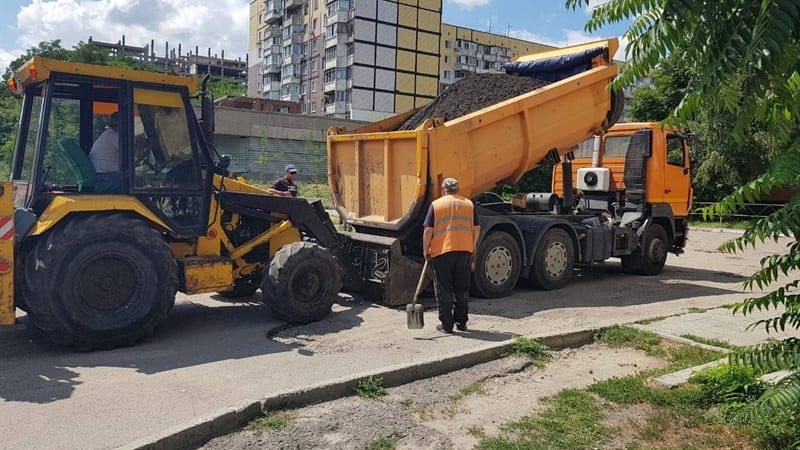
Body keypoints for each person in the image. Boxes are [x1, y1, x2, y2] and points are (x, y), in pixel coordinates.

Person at [422, 177, 481, 334]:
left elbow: (428, 230)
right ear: (458, 189)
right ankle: (461, 323)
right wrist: (472, 246)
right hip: (464, 251)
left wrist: (426, 249)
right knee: (462, 288)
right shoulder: (469, 204)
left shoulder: (436, 205)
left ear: (443, 190)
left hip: (442, 252)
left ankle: (447, 325)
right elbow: (476, 228)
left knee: (444, 288)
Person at [89, 112, 121, 189]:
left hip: (102, 174)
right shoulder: (114, 136)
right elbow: (133, 154)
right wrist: (141, 144)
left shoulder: (108, 134)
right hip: (105, 176)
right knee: (138, 182)